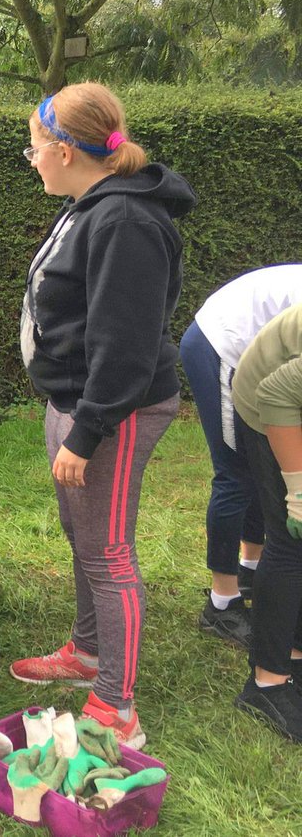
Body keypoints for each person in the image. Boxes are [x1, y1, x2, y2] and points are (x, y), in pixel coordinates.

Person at [8, 83, 197, 750]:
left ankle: (118, 704)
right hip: (75, 401)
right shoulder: (91, 202)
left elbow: (125, 345)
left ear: (64, 151)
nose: (30, 160)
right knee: (81, 534)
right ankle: (88, 654)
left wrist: (87, 433)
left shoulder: (126, 223)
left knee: (108, 549)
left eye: (33, 149)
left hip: (116, 412)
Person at [180, 264, 302, 648]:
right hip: (223, 344)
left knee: (257, 466)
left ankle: (249, 568)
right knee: (235, 474)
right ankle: (222, 604)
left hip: (257, 353)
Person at [231, 304, 302, 742]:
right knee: (292, 541)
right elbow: (277, 392)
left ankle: (293, 654)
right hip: (269, 398)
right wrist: (297, 487)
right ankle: (265, 684)